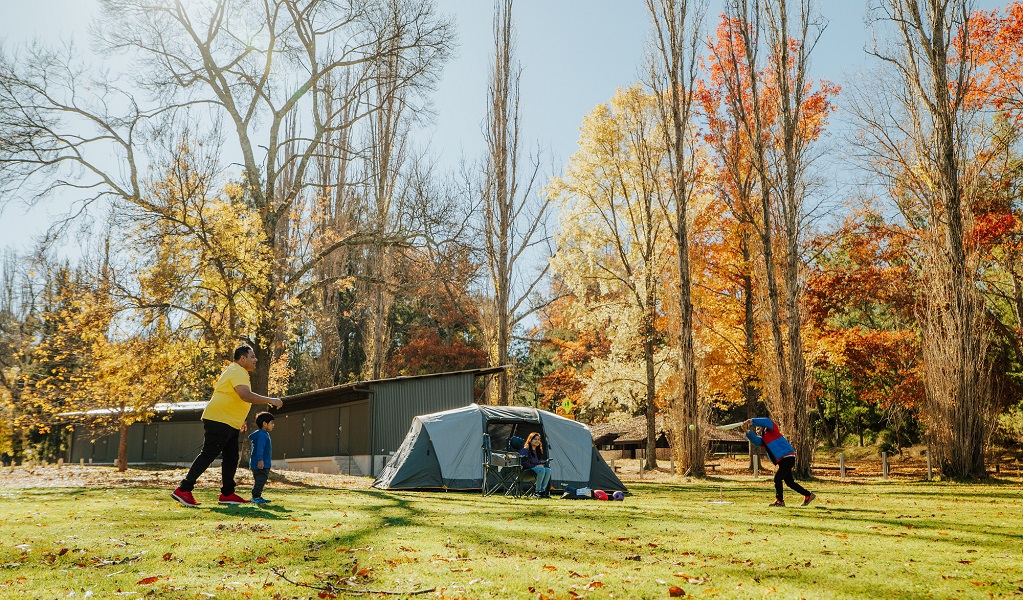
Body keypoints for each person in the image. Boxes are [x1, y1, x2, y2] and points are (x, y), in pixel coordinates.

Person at [171, 346, 283, 507]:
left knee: (231, 458)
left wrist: (240, 420)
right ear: (242, 358)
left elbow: (233, 397)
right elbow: (244, 395)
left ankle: (227, 494)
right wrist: (270, 400)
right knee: (208, 454)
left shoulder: (237, 372)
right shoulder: (237, 371)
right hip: (219, 420)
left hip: (229, 422)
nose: (255, 359)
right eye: (252, 356)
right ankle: (183, 489)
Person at [742, 418, 816, 507]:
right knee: (790, 482)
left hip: (788, 457)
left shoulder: (772, 431)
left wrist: (752, 421)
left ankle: (780, 501)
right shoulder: (763, 441)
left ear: (763, 428)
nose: (757, 431)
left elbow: (767, 421)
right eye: (756, 430)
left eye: (758, 428)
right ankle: (808, 495)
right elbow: (756, 441)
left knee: (777, 478)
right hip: (783, 461)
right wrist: (746, 431)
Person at [248, 411, 275, 505]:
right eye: (271, 423)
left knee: (260, 481)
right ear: (264, 423)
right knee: (260, 481)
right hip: (261, 463)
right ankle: (255, 497)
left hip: (261, 463)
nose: (273, 425)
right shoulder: (262, 435)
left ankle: (257, 496)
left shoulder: (263, 434)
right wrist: (260, 460)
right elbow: (260, 448)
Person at [519, 432, 552, 498]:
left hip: (535, 471)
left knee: (548, 470)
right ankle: (537, 491)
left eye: (538, 439)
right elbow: (523, 463)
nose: (537, 441)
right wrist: (535, 466)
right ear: (530, 440)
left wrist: (540, 464)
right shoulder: (525, 450)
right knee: (541, 470)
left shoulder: (537, 450)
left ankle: (542, 491)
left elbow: (537, 462)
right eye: (535, 439)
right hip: (525, 472)